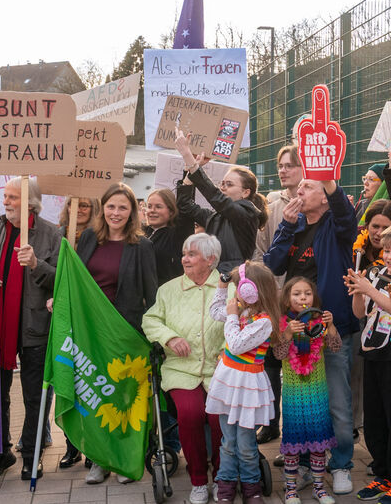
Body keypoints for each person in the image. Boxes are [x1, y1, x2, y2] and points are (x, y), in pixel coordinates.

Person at [264, 176, 359, 493]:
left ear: (325, 196)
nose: (299, 191)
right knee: (303, 402)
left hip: (331, 327)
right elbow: (273, 264)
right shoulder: (294, 224)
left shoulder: (337, 224)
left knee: (337, 402)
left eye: (308, 187)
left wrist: (330, 181)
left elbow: (345, 215)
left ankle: (341, 464)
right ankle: (304, 466)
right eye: (299, 186)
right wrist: (286, 227)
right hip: (298, 332)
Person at [0, 177, 62, 482]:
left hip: (35, 326)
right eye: (5, 196)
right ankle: (0, 452)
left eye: (13, 197)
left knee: (34, 397)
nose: (6, 202)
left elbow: (62, 280)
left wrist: (37, 264)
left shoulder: (52, 234)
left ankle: (31, 453)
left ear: (30, 202)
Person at [77, 183, 159, 484]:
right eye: (111, 206)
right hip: (90, 330)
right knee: (95, 396)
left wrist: (153, 334)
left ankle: (125, 461)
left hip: (125, 331)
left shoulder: (142, 246)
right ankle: (99, 460)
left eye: (122, 207)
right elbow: (76, 279)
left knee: (123, 399)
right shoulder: (89, 238)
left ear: (132, 212)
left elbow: (152, 293)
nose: (116, 212)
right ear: (103, 209)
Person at [142, 233, 231, 504]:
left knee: (218, 418)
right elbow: (150, 320)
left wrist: (227, 350)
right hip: (181, 369)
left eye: (192, 254)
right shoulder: (168, 290)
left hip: (221, 368)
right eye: (184, 253)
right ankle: (198, 480)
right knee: (190, 414)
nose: (184, 259)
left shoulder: (229, 289)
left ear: (211, 259)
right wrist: (169, 338)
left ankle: (222, 478)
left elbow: (242, 322)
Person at [345, 222, 391, 504]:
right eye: (387, 251)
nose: (390, 256)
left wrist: (370, 289)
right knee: (375, 419)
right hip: (372, 349)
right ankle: (383, 474)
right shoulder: (375, 275)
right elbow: (359, 314)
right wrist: (358, 290)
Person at [206, 261, 282, 504]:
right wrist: (222, 286)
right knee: (228, 442)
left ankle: (252, 488)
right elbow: (215, 311)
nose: (236, 291)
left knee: (246, 445)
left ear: (250, 290)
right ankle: (226, 486)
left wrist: (232, 316)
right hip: (229, 383)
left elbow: (236, 344)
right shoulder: (241, 310)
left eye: (238, 286)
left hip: (248, 386)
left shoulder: (264, 321)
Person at [274, 277, 341, 504]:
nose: (303, 297)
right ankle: (291, 489)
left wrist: (331, 326)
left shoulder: (319, 323)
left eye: (307, 293)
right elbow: (278, 354)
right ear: (286, 299)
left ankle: (319, 488)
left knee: (319, 442)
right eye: (296, 294)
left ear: (314, 297)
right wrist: (287, 334)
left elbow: (335, 347)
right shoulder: (282, 323)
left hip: (316, 392)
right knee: (292, 444)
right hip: (293, 395)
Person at [254, 144, 304, 445]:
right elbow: (260, 251)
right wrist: (269, 288)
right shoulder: (271, 206)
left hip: (306, 301)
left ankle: (301, 433)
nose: (282, 170)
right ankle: (271, 422)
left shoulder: (318, 202)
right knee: (271, 361)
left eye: (289, 165)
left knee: (301, 362)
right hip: (274, 296)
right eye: (280, 165)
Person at [174, 129, 268, 273]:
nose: (223, 188)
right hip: (212, 279)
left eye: (229, 184)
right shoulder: (214, 218)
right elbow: (185, 205)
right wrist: (189, 170)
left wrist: (188, 157)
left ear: (245, 192)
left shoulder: (248, 214)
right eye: (222, 183)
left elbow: (217, 198)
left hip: (234, 279)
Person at [146, 188, 195, 286]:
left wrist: (186, 185)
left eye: (158, 207)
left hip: (166, 291)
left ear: (171, 211)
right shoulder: (141, 233)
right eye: (149, 206)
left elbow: (185, 210)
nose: (152, 210)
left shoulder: (177, 235)